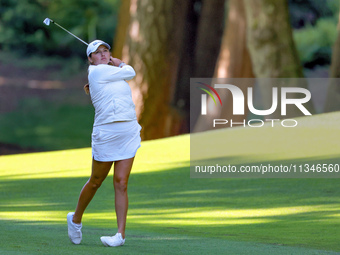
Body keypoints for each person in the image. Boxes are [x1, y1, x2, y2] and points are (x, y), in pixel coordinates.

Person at [67, 40, 141, 247]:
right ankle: (75, 218)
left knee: (121, 182)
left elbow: (126, 77)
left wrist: (117, 65)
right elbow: (131, 72)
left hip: (127, 130)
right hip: (106, 133)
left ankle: (120, 235)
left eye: (105, 51)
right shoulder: (97, 72)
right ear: (90, 59)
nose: (102, 55)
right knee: (96, 181)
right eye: (97, 53)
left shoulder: (115, 75)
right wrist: (120, 63)